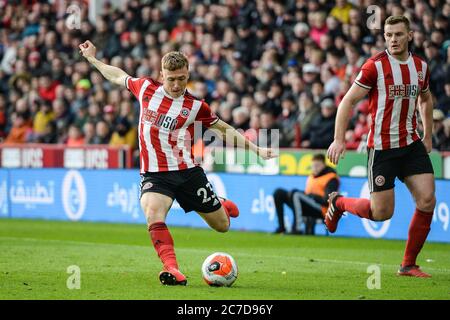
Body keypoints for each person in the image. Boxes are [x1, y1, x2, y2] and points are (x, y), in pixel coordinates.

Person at [79, 40, 277, 286]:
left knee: (222, 226)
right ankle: (171, 268)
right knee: (153, 212)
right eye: (171, 79)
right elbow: (118, 76)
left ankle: (221, 206)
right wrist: (93, 60)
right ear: (161, 75)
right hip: (155, 174)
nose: (176, 85)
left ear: (188, 75)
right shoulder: (145, 88)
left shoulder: (195, 106)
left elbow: (224, 130)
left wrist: (257, 150)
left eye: (181, 79)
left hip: (187, 172)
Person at [326, 16, 436, 278]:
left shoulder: (420, 67)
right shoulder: (374, 66)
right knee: (382, 213)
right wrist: (339, 139)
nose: (393, 40)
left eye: (398, 34)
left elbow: (426, 99)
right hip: (382, 148)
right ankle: (339, 203)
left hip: (411, 144)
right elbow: (347, 102)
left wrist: (428, 135)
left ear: (410, 35)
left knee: (428, 199)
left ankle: (408, 264)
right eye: (388, 35)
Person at [273, 153, 339, 235]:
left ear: (324, 165)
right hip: (308, 204)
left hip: (322, 209)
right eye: (313, 166)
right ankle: (281, 227)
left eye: (317, 165)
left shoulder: (331, 178)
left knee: (295, 194)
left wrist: (312, 196)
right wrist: (307, 195)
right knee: (279, 193)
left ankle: (297, 229)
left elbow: (327, 201)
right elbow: (307, 194)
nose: (315, 168)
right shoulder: (311, 176)